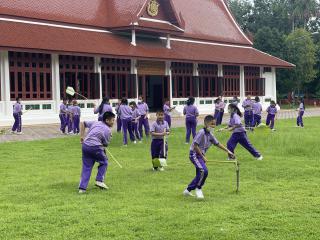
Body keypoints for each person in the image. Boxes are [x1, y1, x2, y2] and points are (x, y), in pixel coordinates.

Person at [183, 115, 235, 199]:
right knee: (204, 171)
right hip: (194, 154)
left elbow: (217, 144)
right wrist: (202, 157)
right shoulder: (201, 132)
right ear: (205, 124)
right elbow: (195, 146)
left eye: (214, 124)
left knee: (200, 174)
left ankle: (187, 190)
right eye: (212, 124)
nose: (213, 126)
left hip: (200, 155)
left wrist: (228, 151)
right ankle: (198, 188)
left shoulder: (210, 134)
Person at [78, 111, 116, 194]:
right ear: (107, 120)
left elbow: (83, 123)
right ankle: (99, 180)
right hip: (96, 147)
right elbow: (105, 145)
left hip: (85, 146)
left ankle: (82, 188)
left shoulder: (95, 122)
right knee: (104, 162)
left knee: (86, 167)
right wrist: (109, 137)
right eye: (112, 120)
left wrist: (82, 136)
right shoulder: (108, 130)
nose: (114, 122)